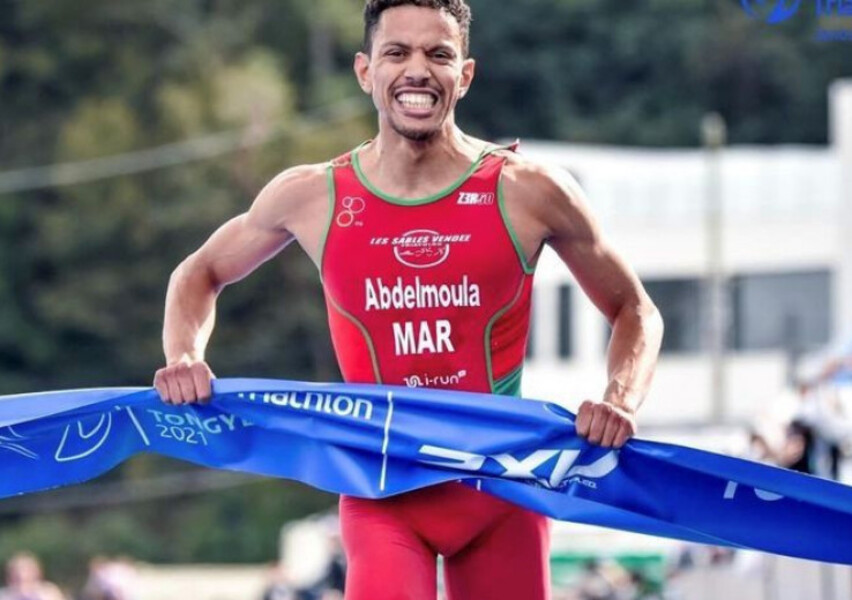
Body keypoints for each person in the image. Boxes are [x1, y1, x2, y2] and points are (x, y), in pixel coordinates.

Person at [153, 1, 663, 598]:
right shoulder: (312, 195)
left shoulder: (528, 191)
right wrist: (184, 354)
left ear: (464, 75)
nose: (416, 70)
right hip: (382, 490)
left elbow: (636, 310)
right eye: (397, 52)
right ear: (365, 71)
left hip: (501, 488)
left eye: (438, 54)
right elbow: (199, 272)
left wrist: (619, 400)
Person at [0, 552, 66, 600]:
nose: (22, 575)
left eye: (27, 570)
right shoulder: (4, 595)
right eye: (17, 574)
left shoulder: (49, 592)